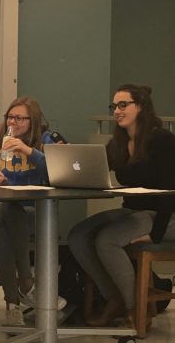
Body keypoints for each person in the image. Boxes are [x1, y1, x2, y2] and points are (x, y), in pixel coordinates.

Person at [68, 84, 175, 327]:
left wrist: (155, 234)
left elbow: (171, 191)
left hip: (164, 215)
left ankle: (134, 309)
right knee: (78, 235)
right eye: (114, 106)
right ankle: (113, 296)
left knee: (107, 239)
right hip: (132, 212)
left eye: (123, 105)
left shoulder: (163, 140)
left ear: (141, 107)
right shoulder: (118, 143)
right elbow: (94, 170)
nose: (117, 110)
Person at [0, 96, 67, 326]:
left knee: (5, 225)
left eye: (20, 118)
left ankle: (12, 303)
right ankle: (27, 283)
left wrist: (29, 151)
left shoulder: (45, 140)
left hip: (35, 213)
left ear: (33, 121)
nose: (14, 122)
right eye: (10, 117)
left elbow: (58, 172)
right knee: (7, 210)